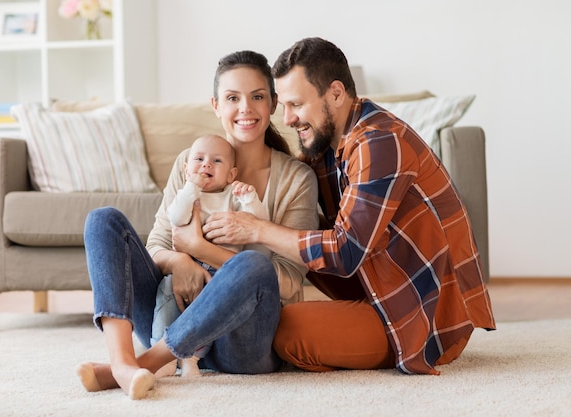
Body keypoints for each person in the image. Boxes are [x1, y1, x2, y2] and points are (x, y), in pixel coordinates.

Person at [201, 37, 496, 375]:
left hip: (421, 314)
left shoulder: (380, 142)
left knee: (285, 329)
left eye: (296, 104)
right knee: (301, 233)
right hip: (377, 287)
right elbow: (292, 200)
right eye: (282, 106)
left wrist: (255, 228)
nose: (288, 118)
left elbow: (345, 251)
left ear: (336, 94)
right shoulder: (327, 144)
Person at [76, 50, 319, 399]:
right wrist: (180, 261)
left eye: (258, 97)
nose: (245, 109)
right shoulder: (190, 162)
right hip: (174, 313)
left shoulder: (297, 179)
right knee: (103, 221)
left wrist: (201, 249)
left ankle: (148, 360)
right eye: (232, 98)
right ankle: (122, 363)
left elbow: (287, 281)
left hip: (241, 345)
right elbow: (157, 245)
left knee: (252, 263)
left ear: (273, 104)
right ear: (216, 105)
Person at [152, 133, 268, 378]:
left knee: (211, 310)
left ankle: (191, 358)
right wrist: (190, 187)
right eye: (199, 159)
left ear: (231, 174)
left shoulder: (232, 196)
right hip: (184, 269)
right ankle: (159, 351)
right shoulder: (188, 194)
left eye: (216, 161)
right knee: (166, 294)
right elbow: (176, 217)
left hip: (222, 272)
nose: (206, 165)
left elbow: (258, 225)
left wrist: (250, 199)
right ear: (186, 168)